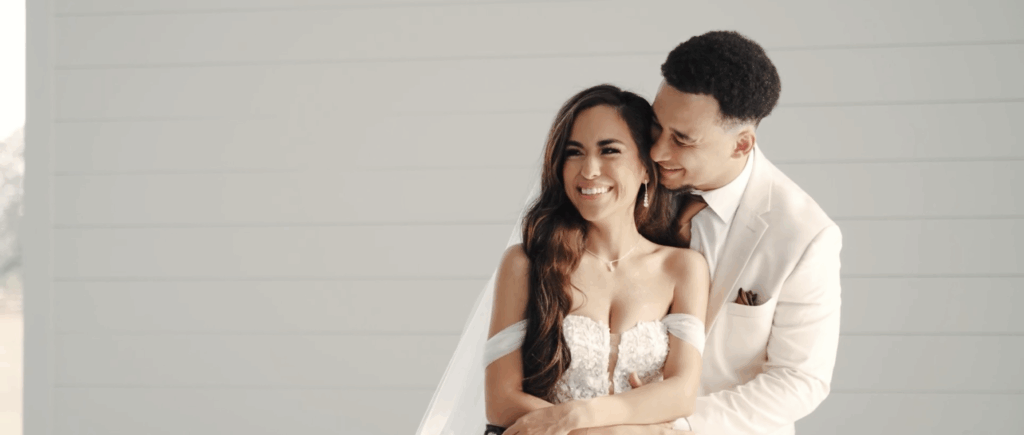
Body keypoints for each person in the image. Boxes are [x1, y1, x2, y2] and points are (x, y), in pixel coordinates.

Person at [629, 30, 842, 435]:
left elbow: (800, 380)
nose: (657, 152)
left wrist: (674, 422)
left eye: (682, 140)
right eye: (657, 127)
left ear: (742, 144)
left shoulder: (805, 235)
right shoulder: (629, 180)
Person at [482, 84, 711, 435]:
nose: (589, 170)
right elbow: (501, 401)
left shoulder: (682, 268)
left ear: (647, 169)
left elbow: (680, 394)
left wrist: (579, 417)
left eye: (609, 151)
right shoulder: (525, 264)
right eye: (574, 153)